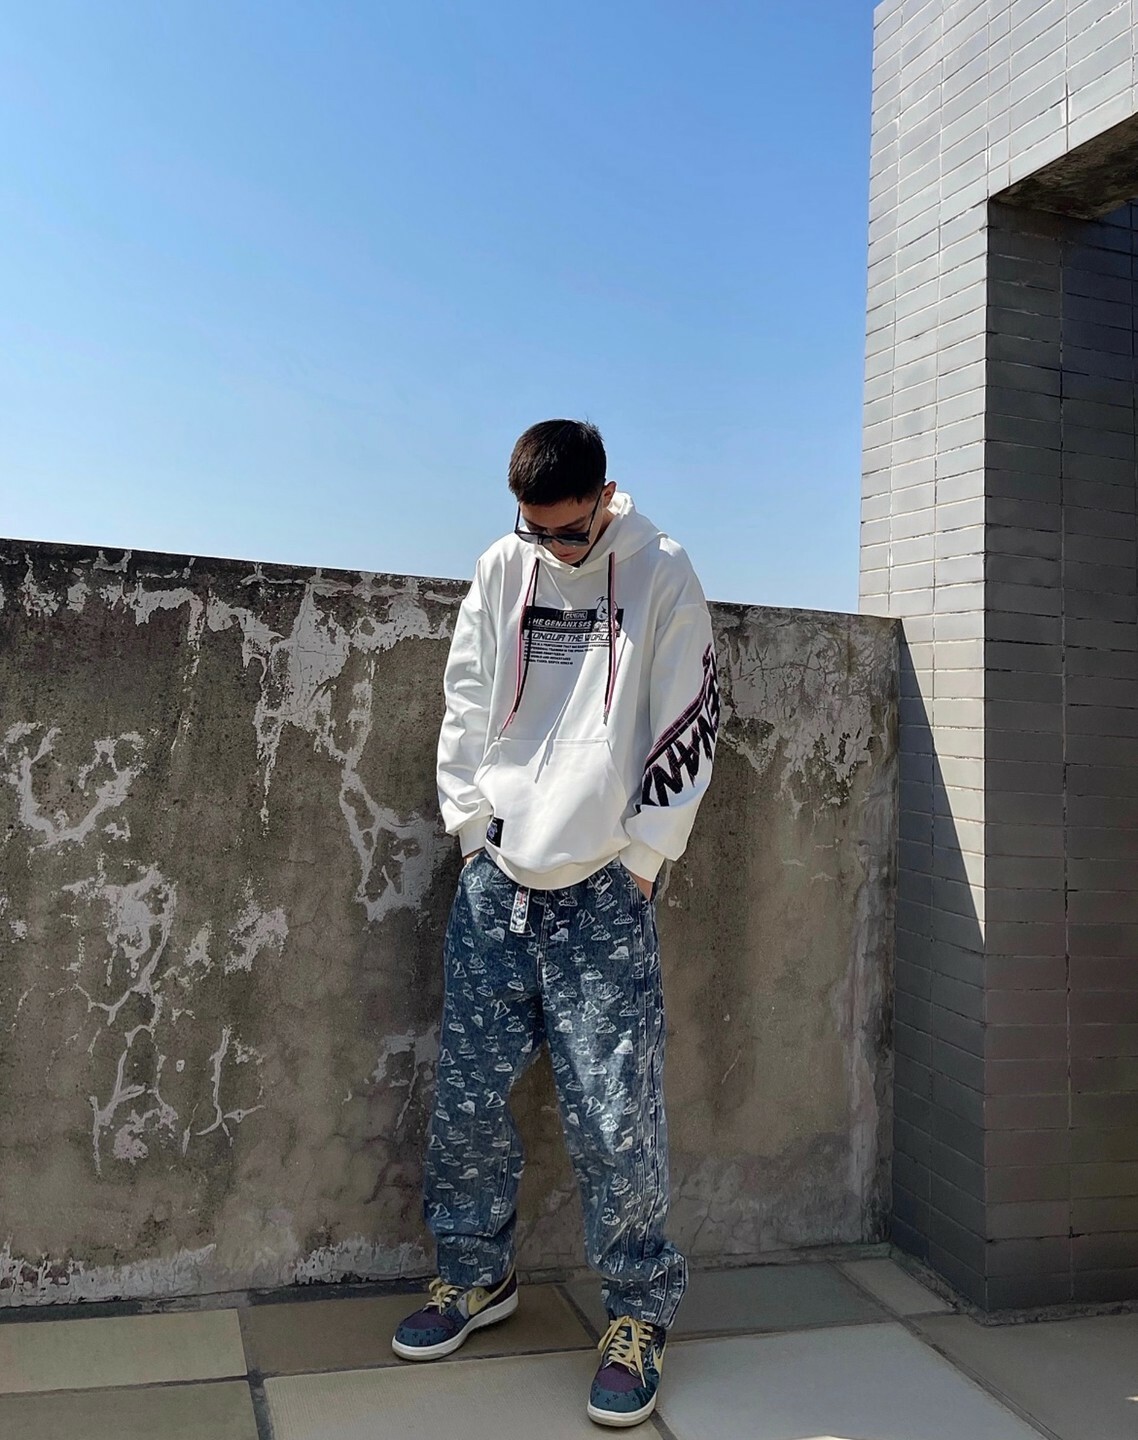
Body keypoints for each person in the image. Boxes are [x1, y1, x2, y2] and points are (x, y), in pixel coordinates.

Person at [392, 418, 719, 1428]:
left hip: (603, 890)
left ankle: (638, 1314)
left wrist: (644, 860)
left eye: (571, 532)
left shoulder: (662, 571)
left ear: (607, 497)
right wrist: (471, 830)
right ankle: (474, 1276)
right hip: (500, 877)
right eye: (536, 531)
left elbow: (691, 714)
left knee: (616, 1117)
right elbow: (465, 696)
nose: (554, 549)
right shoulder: (505, 566)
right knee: (468, 1098)